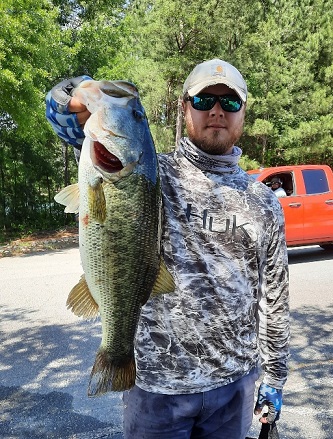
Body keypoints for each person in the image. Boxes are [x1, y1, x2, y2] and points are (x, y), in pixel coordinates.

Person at [46, 59, 290, 439]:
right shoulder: (149, 170)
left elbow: (274, 298)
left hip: (234, 388)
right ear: (184, 108)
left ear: (244, 112)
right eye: (204, 99)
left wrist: (274, 377)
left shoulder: (263, 203)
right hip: (157, 389)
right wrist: (75, 95)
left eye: (230, 103)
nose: (216, 111)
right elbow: (65, 116)